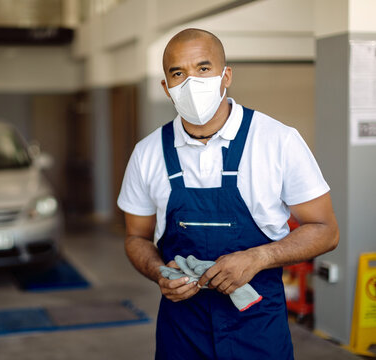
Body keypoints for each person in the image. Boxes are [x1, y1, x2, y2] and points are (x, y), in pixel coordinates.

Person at [117, 28, 339, 359]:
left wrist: (259, 257)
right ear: (166, 87)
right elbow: (136, 238)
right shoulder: (147, 154)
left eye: (203, 68)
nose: (191, 82)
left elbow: (326, 231)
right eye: (178, 73)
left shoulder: (278, 141)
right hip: (182, 332)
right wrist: (159, 272)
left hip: (258, 329)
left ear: (226, 76)